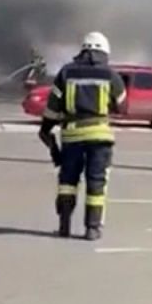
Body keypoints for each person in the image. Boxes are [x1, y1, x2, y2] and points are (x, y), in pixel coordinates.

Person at [38, 31, 126, 241]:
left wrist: (46, 129)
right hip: (100, 136)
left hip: (72, 136)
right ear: (104, 52)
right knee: (96, 182)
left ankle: (64, 225)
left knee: (68, 181)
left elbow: (53, 107)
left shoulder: (66, 73)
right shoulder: (110, 75)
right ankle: (92, 229)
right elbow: (121, 104)